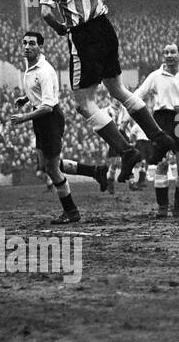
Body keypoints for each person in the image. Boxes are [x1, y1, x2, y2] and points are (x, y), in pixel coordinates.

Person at [26, 0, 174, 182]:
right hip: (106, 28)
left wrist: (61, 28)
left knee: (84, 103)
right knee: (118, 90)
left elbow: (46, 12)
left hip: (84, 35)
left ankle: (127, 151)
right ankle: (159, 137)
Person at [9, 31, 110, 225]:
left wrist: (23, 117)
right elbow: (40, 95)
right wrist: (26, 98)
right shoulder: (30, 67)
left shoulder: (44, 71)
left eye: (32, 43)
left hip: (49, 119)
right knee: (45, 164)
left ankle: (71, 211)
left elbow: (47, 106)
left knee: (52, 169)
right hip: (40, 118)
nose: (27, 46)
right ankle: (95, 171)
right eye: (25, 43)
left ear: (40, 47)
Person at [133, 42, 179, 218]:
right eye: (166, 53)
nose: (169, 55)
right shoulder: (155, 76)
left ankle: (178, 204)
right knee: (162, 164)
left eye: (172, 52)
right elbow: (138, 95)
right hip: (161, 119)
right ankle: (163, 207)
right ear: (163, 56)